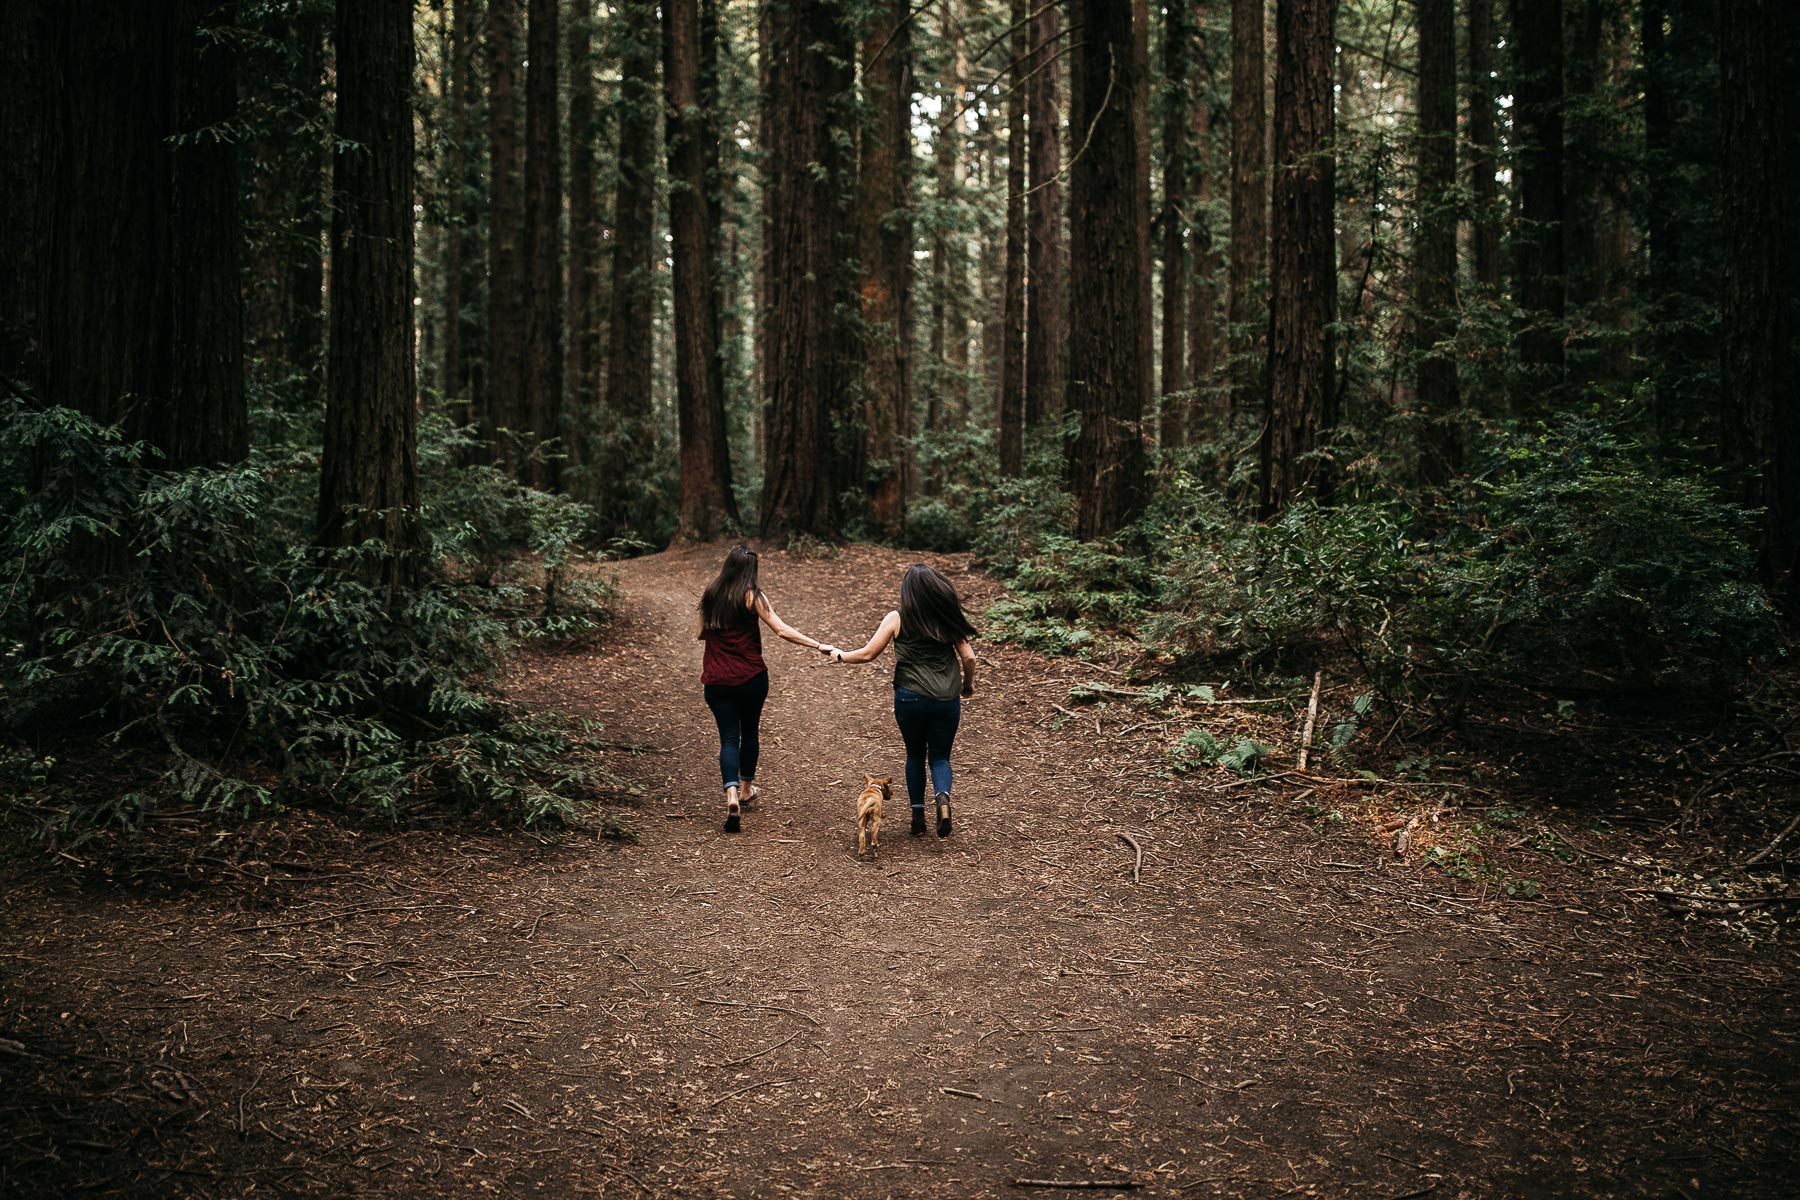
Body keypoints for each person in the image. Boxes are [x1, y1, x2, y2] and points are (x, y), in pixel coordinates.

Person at [822, 564, 977, 838]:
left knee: (915, 754)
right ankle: (942, 800)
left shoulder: (897, 618)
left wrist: (839, 655)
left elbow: (869, 653)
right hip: (945, 699)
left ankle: (917, 816)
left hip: (910, 698)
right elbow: (969, 657)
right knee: (940, 756)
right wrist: (967, 685)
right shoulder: (947, 617)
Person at [697, 545, 828, 833]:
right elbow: (781, 630)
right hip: (750, 677)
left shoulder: (711, 595)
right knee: (750, 731)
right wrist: (818, 645)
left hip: (717, 680)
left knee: (728, 739)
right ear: (750, 571)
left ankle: (730, 793)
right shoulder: (752, 595)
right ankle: (745, 791)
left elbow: (700, 633)